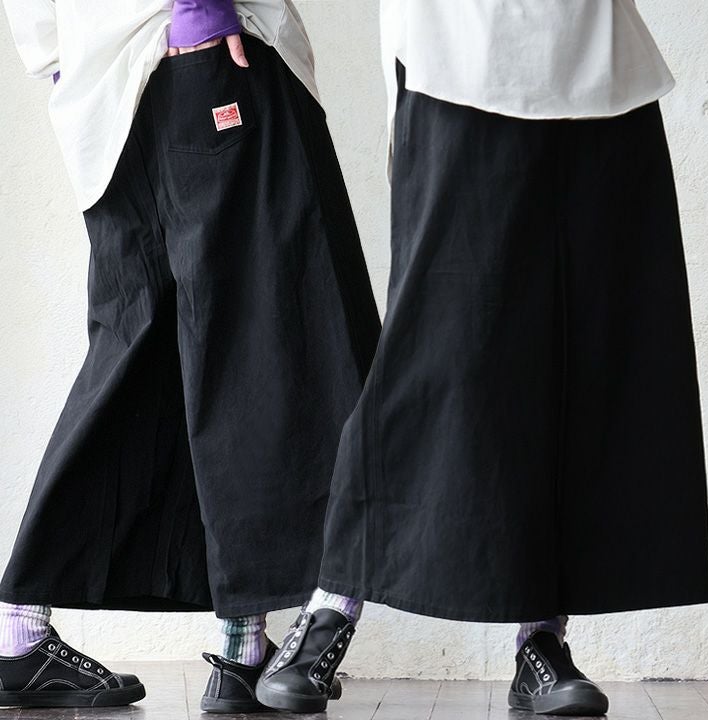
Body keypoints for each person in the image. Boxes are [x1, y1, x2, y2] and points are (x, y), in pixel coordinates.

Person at [255, 0, 708, 716]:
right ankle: (331, 606)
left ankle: (542, 641)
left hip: (600, 63)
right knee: (435, 351)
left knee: (588, 350)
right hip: (456, 57)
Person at [0, 0, 380, 711]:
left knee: (140, 349)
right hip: (197, 49)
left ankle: (24, 634)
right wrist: (199, 10)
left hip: (103, 86)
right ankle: (244, 652)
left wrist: (64, 61)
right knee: (269, 340)